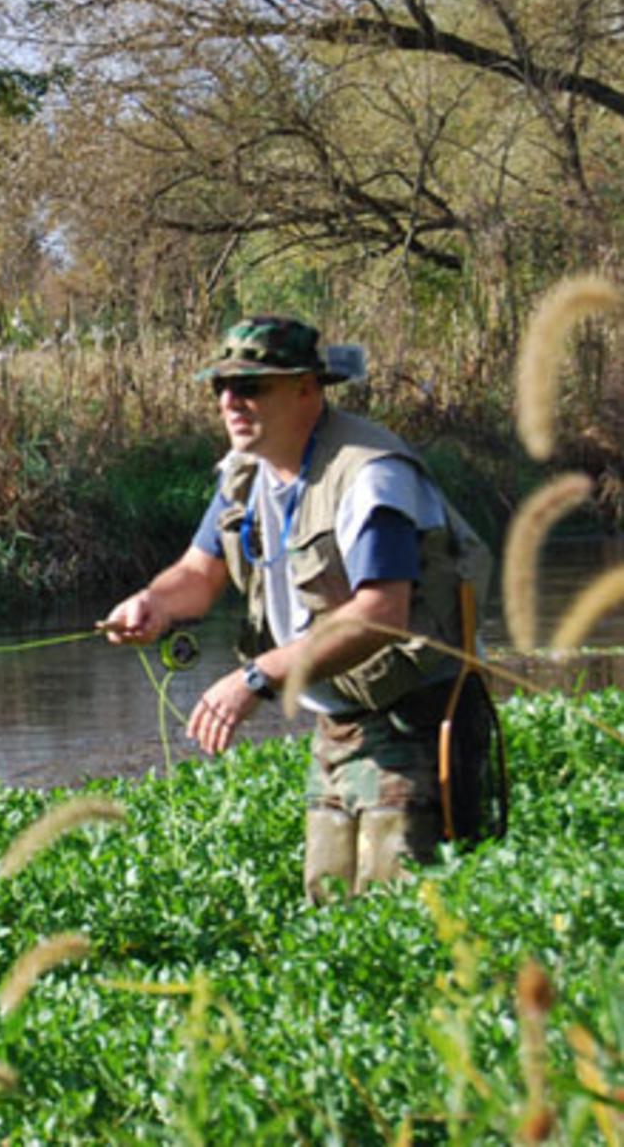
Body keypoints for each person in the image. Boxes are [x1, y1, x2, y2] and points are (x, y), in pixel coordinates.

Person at [100, 316, 498, 900]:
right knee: (330, 912)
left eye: (252, 387)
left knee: (408, 919)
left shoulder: (370, 475)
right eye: (221, 388)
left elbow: (381, 611)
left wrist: (256, 679)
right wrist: (152, 602)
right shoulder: (245, 474)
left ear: (308, 388)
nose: (231, 402)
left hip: (419, 720)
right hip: (335, 727)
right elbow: (197, 574)